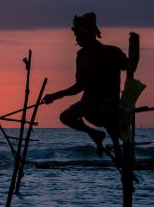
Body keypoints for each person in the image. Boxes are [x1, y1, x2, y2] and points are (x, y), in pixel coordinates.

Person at [42, 12, 129, 157]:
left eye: (79, 35)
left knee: (109, 113)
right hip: (89, 102)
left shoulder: (112, 52)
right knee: (66, 117)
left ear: (88, 34)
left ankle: (117, 149)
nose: (77, 39)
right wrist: (55, 96)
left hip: (109, 102)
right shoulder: (81, 56)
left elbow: (129, 67)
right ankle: (95, 134)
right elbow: (79, 86)